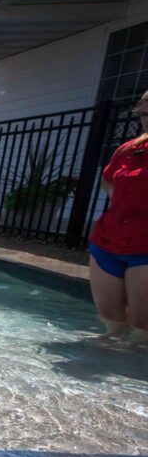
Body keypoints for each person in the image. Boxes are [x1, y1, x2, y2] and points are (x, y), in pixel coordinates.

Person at [88, 89, 148, 342]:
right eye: (144, 113)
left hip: (144, 247)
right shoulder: (129, 149)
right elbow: (107, 179)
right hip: (107, 242)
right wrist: (125, 205)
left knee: (142, 328)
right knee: (112, 324)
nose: (147, 119)